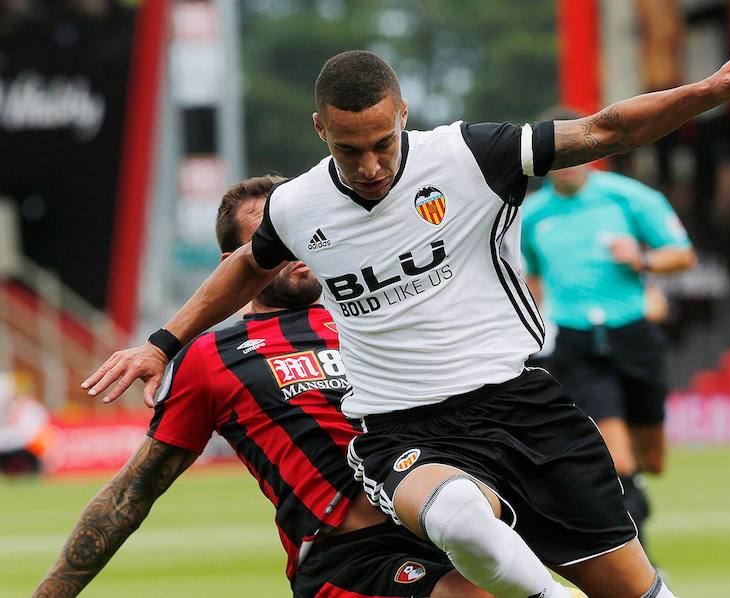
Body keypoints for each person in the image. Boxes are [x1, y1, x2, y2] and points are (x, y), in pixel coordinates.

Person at [83, 49, 730, 597]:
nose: (368, 165)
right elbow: (247, 264)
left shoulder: (472, 155)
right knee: (456, 521)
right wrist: (162, 342)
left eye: (382, 144)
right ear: (320, 129)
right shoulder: (297, 207)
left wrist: (707, 92)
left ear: (402, 113)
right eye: (347, 148)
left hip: (523, 407)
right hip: (405, 428)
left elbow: (605, 128)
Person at [35, 176, 490, 598]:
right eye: (272, 240)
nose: (295, 247)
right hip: (352, 559)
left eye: (302, 230)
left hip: (446, 522)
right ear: (232, 265)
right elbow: (133, 492)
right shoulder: (210, 357)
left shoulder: (370, 318)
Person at [520, 110, 695, 547]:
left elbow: (682, 255)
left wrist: (644, 259)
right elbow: (532, 280)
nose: (569, 161)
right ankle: (643, 566)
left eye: (576, 150)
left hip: (633, 336)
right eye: (559, 154)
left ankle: (637, 493)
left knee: (650, 459)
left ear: (591, 149)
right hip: (576, 344)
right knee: (615, 459)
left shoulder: (629, 198)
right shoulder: (530, 217)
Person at [0, 372, 50, 475]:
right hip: (14, 441)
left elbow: (37, 429)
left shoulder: (33, 408)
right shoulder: (13, 407)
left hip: (28, 442)